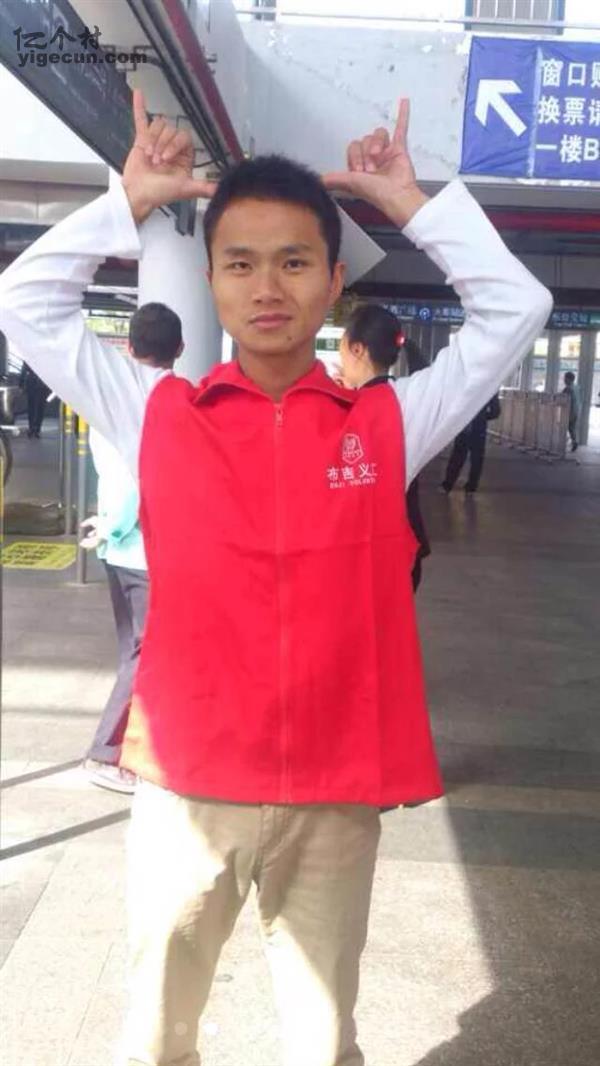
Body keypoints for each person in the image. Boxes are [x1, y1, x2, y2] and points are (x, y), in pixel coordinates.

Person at [0, 90, 552, 1066]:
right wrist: (127, 201)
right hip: (187, 789)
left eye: (294, 262)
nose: (267, 287)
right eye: (241, 262)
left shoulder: (388, 422)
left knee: (321, 1041)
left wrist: (410, 205)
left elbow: (519, 309)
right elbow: (23, 303)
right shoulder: (158, 411)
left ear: (333, 280)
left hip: (333, 795)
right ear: (211, 277)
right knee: (156, 1039)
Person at [81, 303, 184, 794]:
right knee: (143, 655)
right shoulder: (167, 402)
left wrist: (106, 527)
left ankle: (137, 747)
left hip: (119, 550)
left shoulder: (108, 399)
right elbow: (135, 482)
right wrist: (115, 526)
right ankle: (106, 753)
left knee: (135, 651)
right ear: (180, 349)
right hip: (142, 551)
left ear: (129, 345)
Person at [338, 306, 431, 591]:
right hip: (405, 542)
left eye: (342, 346)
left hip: (368, 549)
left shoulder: (347, 408)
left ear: (357, 349)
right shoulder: (405, 399)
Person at [440, 393, 501, 494]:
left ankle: (447, 485)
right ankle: (472, 487)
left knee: (457, 457)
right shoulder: (490, 389)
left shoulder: (467, 387)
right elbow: (495, 412)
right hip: (479, 429)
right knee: (477, 459)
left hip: (464, 427)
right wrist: (482, 417)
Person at [19, 361, 51, 437]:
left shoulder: (29, 356)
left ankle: (32, 428)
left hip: (32, 383)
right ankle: (37, 429)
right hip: (43, 384)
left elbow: (24, 370)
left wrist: (21, 384)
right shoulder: (46, 358)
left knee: (32, 407)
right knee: (40, 407)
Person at [562, 370, 580, 451]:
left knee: (563, 427)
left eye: (565, 378)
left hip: (569, 411)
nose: (564, 380)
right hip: (576, 410)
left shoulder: (568, 388)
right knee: (572, 428)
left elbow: (561, 398)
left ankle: (561, 444)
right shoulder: (577, 387)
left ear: (569, 379)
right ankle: (574, 442)